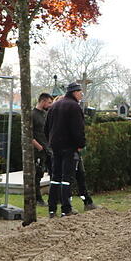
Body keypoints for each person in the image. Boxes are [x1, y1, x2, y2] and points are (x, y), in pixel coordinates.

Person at [44, 82, 86, 217]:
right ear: (74, 92)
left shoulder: (54, 106)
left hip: (55, 146)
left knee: (55, 177)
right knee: (66, 178)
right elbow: (78, 129)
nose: (81, 95)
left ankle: (51, 209)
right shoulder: (74, 107)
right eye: (80, 92)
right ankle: (66, 209)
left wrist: (51, 141)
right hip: (69, 146)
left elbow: (47, 127)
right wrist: (80, 144)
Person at [30, 93, 53, 206]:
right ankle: (38, 199)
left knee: (51, 172)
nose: (50, 105)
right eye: (49, 102)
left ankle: (54, 198)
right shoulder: (32, 114)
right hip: (38, 150)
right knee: (38, 174)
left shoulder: (45, 114)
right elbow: (28, 134)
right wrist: (38, 147)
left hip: (47, 149)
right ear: (42, 101)